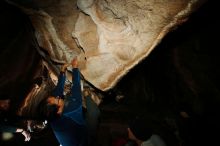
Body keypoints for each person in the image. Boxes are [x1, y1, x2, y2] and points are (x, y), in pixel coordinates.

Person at [45, 57, 100, 146]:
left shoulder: (50, 115)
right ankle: (87, 96)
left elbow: (58, 91)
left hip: (68, 138)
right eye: (58, 100)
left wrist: (63, 71)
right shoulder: (73, 110)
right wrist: (75, 68)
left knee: (65, 98)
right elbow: (76, 86)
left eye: (54, 97)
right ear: (59, 111)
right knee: (94, 112)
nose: (57, 97)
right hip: (84, 139)